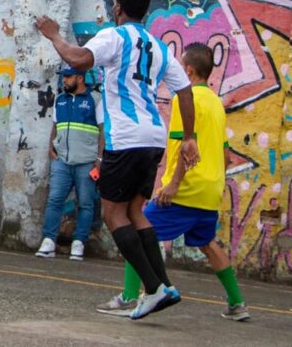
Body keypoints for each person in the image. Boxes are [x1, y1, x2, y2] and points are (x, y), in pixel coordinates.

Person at [36, 0, 199, 320]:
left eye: (113, 4)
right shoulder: (158, 46)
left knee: (113, 214)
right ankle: (164, 286)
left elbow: (78, 59)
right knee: (136, 212)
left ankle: (152, 289)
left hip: (125, 138)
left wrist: (53, 35)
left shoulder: (114, 36)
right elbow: (185, 91)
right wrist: (189, 137)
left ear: (117, 9)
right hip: (154, 137)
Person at [98, 44, 249, 321]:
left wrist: (173, 184)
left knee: (135, 229)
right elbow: (226, 154)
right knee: (207, 243)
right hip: (211, 188)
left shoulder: (185, 98)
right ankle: (237, 303)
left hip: (186, 189)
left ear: (188, 71)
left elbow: (182, 145)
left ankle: (131, 297)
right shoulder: (216, 101)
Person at [35, 66, 103, 261]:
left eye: (68, 77)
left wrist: (98, 160)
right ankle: (48, 240)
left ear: (80, 78)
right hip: (62, 161)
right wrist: (51, 147)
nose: (64, 81)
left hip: (86, 162)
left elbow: (102, 131)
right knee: (55, 200)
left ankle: (79, 242)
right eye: (64, 77)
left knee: (85, 204)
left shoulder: (95, 99)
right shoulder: (60, 100)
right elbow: (55, 126)